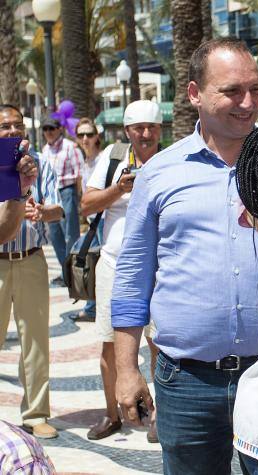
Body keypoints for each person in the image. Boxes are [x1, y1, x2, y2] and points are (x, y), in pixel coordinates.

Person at [110, 38, 258, 474]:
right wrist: (126, 370)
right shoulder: (159, 173)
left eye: (255, 89)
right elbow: (132, 277)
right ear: (195, 93)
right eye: (233, 90)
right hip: (187, 383)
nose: (248, 102)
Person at [80, 101, 163, 442]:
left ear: (161, 129)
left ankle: (161, 416)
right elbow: (86, 205)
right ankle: (112, 413)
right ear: (127, 131)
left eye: (152, 127)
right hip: (114, 264)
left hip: (160, 268)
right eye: (138, 127)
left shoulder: (169, 161)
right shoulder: (112, 160)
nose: (145, 133)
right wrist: (119, 189)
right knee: (110, 345)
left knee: (160, 342)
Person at [0, 104, 64, 439]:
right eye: (4, 126)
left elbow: (59, 209)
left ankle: (36, 413)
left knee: (35, 342)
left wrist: (44, 210)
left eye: (17, 125)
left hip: (31, 258)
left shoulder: (42, 163)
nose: (12, 131)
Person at [39, 116, 82, 287]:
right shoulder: (44, 150)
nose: (48, 132)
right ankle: (66, 273)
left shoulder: (70, 147)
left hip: (67, 192)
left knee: (70, 234)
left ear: (59, 129)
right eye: (45, 129)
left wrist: (78, 199)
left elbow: (79, 174)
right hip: (50, 195)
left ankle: (74, 275)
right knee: (55, 235)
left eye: (51, 129)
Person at [73, 118, 103, 322]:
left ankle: (92, 306)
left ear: (96, 137)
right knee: (87, 258)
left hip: (103, 220)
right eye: (81, 135)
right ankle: (92, 304)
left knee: (90, 260)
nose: (85, 139)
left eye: (89, 134)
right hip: (93, 221)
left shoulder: (102, 160)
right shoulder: (85, 162)